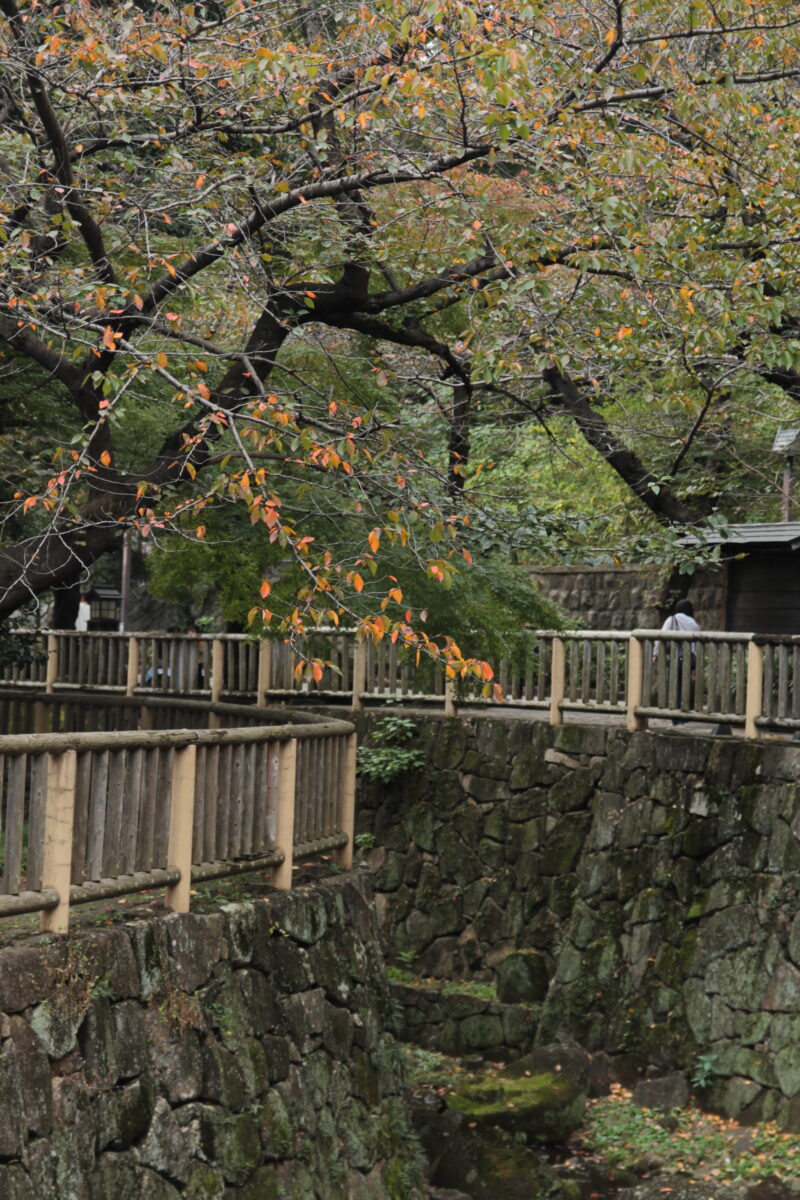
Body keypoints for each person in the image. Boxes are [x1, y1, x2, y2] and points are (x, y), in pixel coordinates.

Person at [659, 599, 701, 723]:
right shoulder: (694, 623)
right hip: (691, 659)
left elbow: (661, 637)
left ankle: (676, 718)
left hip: (676, 659)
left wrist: (656, 654)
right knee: (685, 687)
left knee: (675, 688)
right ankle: (685, 716)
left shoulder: (672, 620)